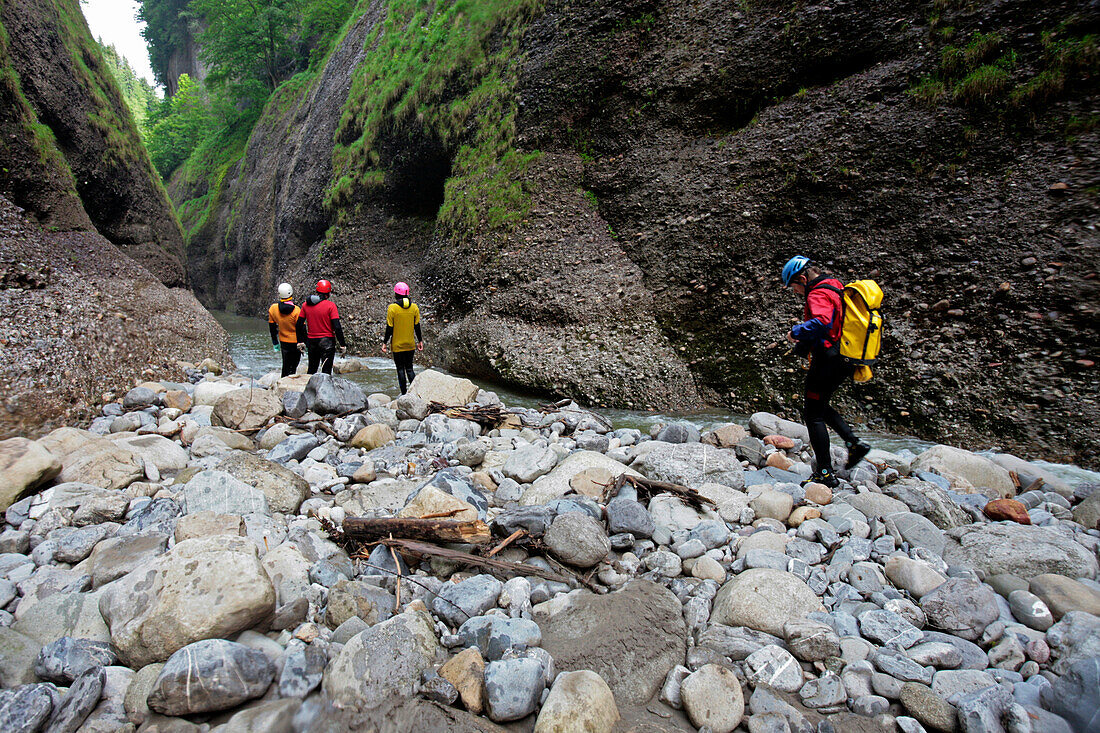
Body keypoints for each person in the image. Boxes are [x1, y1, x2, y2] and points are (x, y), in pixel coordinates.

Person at [782, 255, 871, 487]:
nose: (796, 292)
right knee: (820, 405)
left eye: (794, 287)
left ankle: (824, 472)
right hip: (845, 357)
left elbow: (822, 321)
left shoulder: (817, 293)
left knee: (813, 414)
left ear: (802, 278)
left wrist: (797, 332)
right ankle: (854, 444)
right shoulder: (836, 286)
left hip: (828, 359)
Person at [380, 281, 423, 394]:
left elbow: (389, 328)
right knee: (409, 368)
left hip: (397, 345)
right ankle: (415, 393)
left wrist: (385, 342)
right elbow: (417, 326)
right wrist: (420, 340)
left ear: (396, 294)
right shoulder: (414, 307)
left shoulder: (392, 308)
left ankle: (404, 394)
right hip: (410, 344)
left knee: (400, 369)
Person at [297, 279, 346, 375]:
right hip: (327, 342)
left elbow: (299, 324)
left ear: (317, 291)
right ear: (328, 293)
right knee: (326, 372)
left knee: (312, 370)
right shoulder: (331, 306)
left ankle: (310, 389)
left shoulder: (305, 305)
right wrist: (342, 344)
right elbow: (337, 326)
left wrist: (300, 341)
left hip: (311, 342)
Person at [268, 282, 305, 377]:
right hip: (296, 342)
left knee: (285, 365)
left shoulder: (273, 308)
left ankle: (283, 382)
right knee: (294, 367)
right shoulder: (297, 310)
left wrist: (275, 342)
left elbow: (272, 328)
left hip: (283, 341)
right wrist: (305, 342)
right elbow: (302, 328)